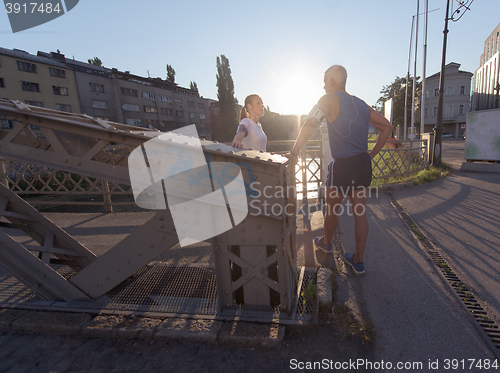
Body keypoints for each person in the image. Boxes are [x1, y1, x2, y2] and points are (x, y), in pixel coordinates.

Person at [287, 65, 393, 275]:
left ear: (334, 81)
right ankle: (358, 261)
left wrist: (294, 152)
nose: (323, 84)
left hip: (344, 165)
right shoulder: (361, 104)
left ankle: (326, 243)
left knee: (331, 209)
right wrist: (371, 154)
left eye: (325, 79)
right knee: (359, 212)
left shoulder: (327, 100)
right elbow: (387, 127)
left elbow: (309, 124)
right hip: (363, 163)